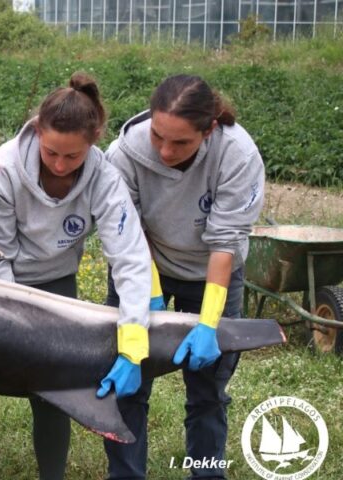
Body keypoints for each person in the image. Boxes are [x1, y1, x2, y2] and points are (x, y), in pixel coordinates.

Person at [0, 72, 153, 480]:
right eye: (51, 153)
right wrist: (14, 326)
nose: (60, 165)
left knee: (55, 392)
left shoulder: (105, 178)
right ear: (38, 130)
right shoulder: (4, 167)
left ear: (93, 142)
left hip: (59, 284)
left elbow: (130, 259)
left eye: (72, 157)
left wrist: (133, 345)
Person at [103, 74, 265, 479]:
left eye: (180, 143)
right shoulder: (124, 153)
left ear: (208, 130)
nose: (164, 150)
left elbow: (224, 244)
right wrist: (148, 294)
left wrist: (209, 322)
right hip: (145, 264)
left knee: (208, 392)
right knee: (129, 384)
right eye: (158, 136)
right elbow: (129, 231)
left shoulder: (237, 155)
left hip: (211, 271)